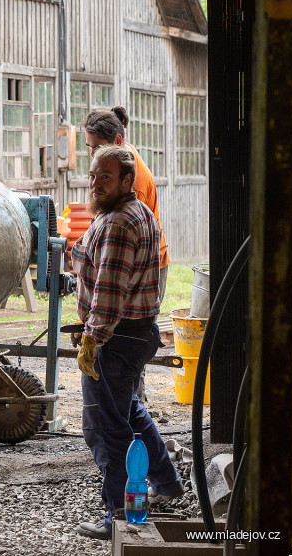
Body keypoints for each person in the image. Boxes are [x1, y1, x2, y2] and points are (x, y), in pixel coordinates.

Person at [71, 145, 184, 540]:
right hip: (136, 335)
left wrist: (91, 341)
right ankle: (167, 483)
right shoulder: (136, 212)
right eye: (93, 174)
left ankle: (118, 514)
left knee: (107, 426)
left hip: (115, 338)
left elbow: (109, 295)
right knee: (129, 411)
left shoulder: (119, 223)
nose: (95, 182)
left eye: (105, 176)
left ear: (126, 181)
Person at [83, 106, 169, 403]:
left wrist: (93, 334)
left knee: (124, 356)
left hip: (141, 267)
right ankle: (131, 415)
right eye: (89, 148)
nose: (92, 155)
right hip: (130, 265)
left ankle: (132, 409)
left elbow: (112, 284)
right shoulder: (119, 161)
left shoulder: (130, 191)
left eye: (98, 148)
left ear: (117, 142)